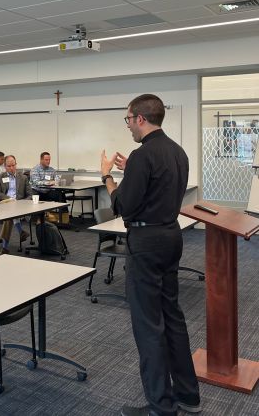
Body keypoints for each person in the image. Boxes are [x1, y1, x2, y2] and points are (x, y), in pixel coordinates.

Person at [100, 94, 200, 416]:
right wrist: (133, 170)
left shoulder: (143, 154)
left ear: (140, 118)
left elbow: (123, 206)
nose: (128, 125)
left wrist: (108, 178)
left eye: (128, 120)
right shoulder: (177, 151)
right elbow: (160, 184)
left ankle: (161, 405)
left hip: (146, 242)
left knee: (148, 325)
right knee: (172, 316)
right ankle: (188, 395)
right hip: (172, 236)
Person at [0, 155, 32, 255]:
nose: (11, 168)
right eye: (9, 166)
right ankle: (21, 232)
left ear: (16, 164)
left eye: (13, 165)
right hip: (4, 203)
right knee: (10, 213)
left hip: (19, 205)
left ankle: (4, 248)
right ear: (5, 166)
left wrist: (22, 203)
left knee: (9, 216)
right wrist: (10, 200)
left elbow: (30, 195)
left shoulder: (23, 178)